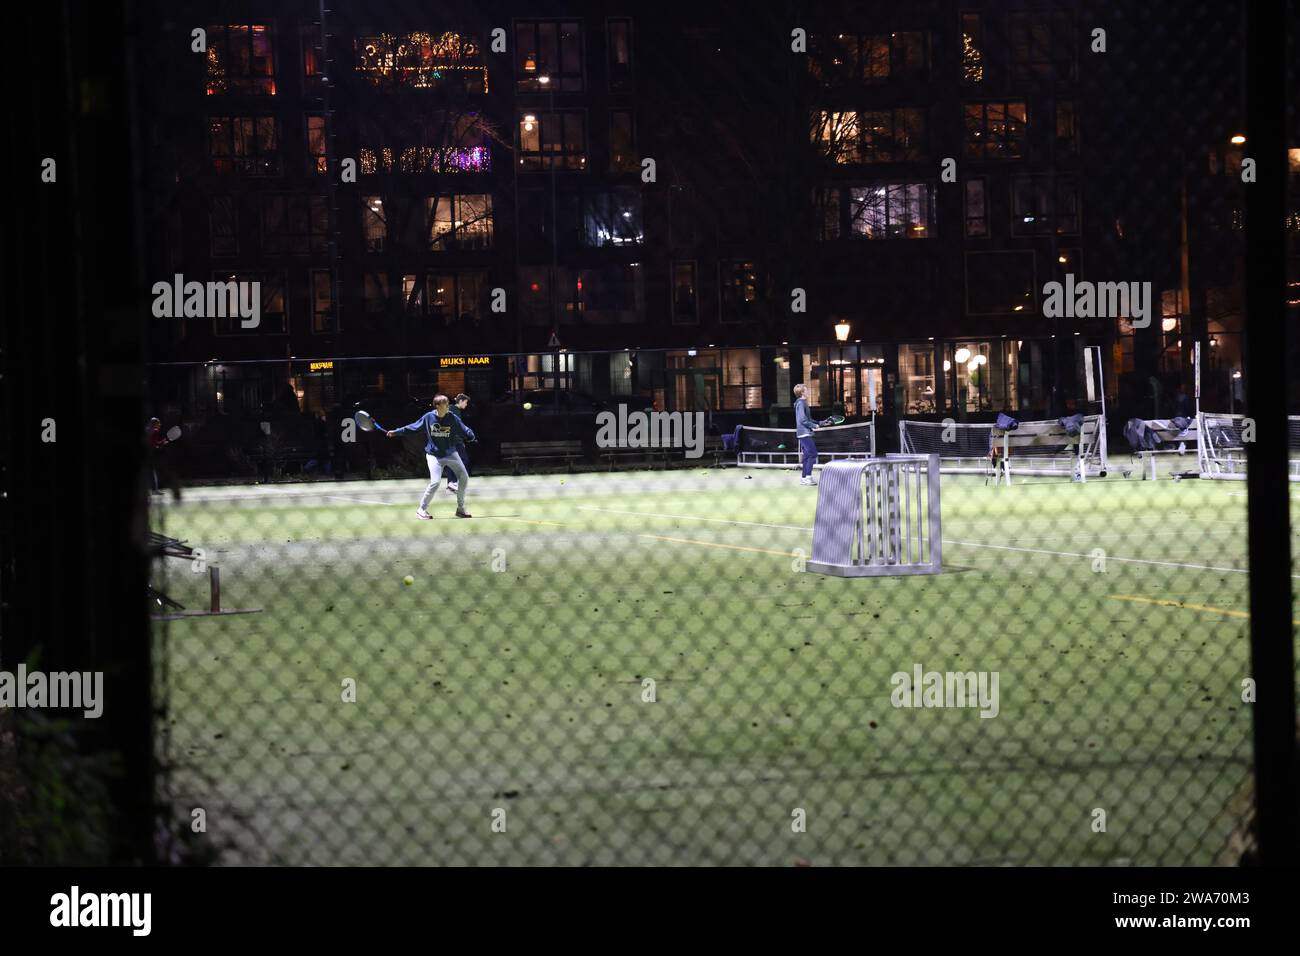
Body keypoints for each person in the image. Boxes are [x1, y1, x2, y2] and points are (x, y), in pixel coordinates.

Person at [386, 394, 475, 519]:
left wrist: (470, 434)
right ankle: (421, 510)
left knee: (464, 477)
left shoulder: (452, 418)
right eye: (445, 404)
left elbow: (464, 429)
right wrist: (396, 432)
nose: (447, 407)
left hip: (451, 454)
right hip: (434, 456)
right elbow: (413, 427)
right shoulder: (428, 417)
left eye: (448, 404)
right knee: (435, 483)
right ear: (437, 406)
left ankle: (460, 509)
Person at [444, 393, 472, 494]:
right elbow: (456, 427)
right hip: (454, 442)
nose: (466, 404)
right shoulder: (453, 410)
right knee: (463, 460)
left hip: (452, 441)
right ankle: (453, 483)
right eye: (465, 402)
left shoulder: (453, 410)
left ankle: (451, 485)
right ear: (460, 401)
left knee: (454, 461)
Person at [793, 383, 819, 486]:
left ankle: (804, 478)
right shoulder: (800, 403)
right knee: (813, 454)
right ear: (802, 392)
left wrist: (819, 423)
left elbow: (808, 419)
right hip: (804, 433)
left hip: (804, 433)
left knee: (807, 456)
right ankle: (808, 477)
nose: (808, 391)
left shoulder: (802, 403)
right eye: (806, 390)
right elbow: (803, 420)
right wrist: (813, 426)